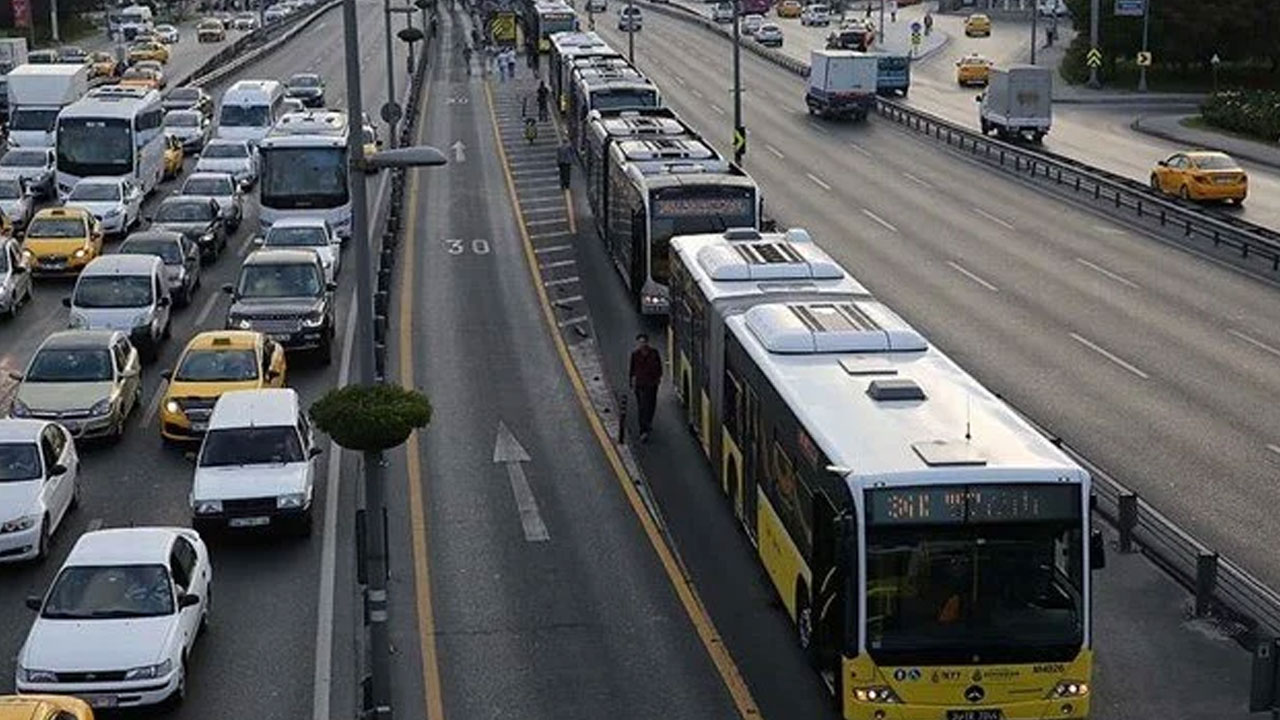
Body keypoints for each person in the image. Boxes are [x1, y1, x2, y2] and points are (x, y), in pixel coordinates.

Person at [629, 333, 662, 442]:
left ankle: (648, 422)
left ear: (647, 342)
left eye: (643, 342)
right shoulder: (635, 355)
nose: (642, 344)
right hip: (640, 384)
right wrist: (632, 382)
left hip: (652, 384)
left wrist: (658, 378)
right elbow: (632, 369)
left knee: (651, 405)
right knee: (642, 407)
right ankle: (643, 430)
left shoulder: (654, 353)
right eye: (640, 342)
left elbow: (659, 366)